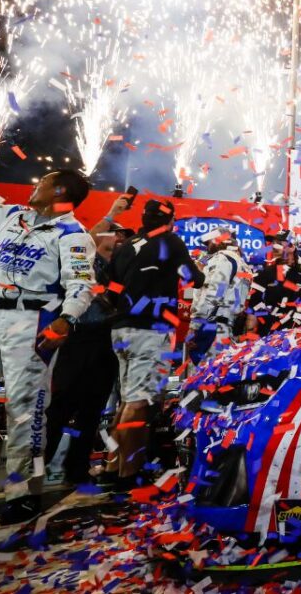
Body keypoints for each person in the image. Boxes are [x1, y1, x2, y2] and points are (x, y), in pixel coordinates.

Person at [0, 170, 96, 523]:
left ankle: (24, 493)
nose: (33, 185)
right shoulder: (10, 216)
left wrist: (66, 318)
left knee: (25, 409)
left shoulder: (73, 235)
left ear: (58, 191)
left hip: (32, 321)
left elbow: (82, 285)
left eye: (40, 181)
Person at [105, 199, 203, 488]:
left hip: (121, 328)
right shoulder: (170, 242)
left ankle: (113, 466)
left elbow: (111, 288)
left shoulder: (127, 246)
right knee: (138, 404)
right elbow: (193, 279)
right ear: (169, 221)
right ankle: (129, 475)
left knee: (126, 402)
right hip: (150, 329)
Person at [44, 195, 133, 485]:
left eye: (123, 237)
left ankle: (76, 468)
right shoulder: (86, 258)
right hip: (78, 339)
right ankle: (38, 466)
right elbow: (93, 235)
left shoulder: (120, 270)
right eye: (116, 234)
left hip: (105, 341)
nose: (119, 239)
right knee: (61, 406)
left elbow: (119, 300)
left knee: (92, 410)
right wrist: (112, 212)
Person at [187, 228, 252, 367]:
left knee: (201, 381)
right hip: (226, 328)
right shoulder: (243, 264)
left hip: (211, 328)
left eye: (209, 242)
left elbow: (212, 294)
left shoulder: (222, 259)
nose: (207, 246)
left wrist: (194, 326)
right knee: (217, 378)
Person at [247, 235, 301, 337]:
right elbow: (253, 305)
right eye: (273, 243)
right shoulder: (263, 273)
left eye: (279, 244)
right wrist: (250, 334)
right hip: (269, 336)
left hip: (299, 336)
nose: (274, 247)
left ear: (292, 247)